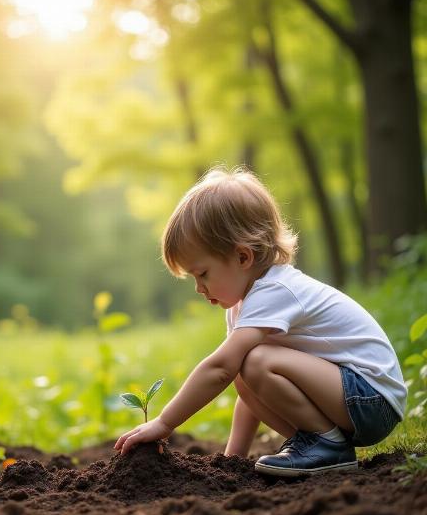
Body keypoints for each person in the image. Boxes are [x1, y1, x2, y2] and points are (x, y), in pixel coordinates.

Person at [114, 166, 406, 477]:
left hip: (372, 398)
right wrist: (231, 461)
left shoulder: (275, 290)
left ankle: (327, 444)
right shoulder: (244, 304)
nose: (199, 288)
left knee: (251, 361)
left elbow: (219, 368)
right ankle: (318, 441)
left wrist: (164, 423)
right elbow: (248, 390)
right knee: (247, 368)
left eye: (202, 274)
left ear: (243, 257)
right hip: (351, 399)